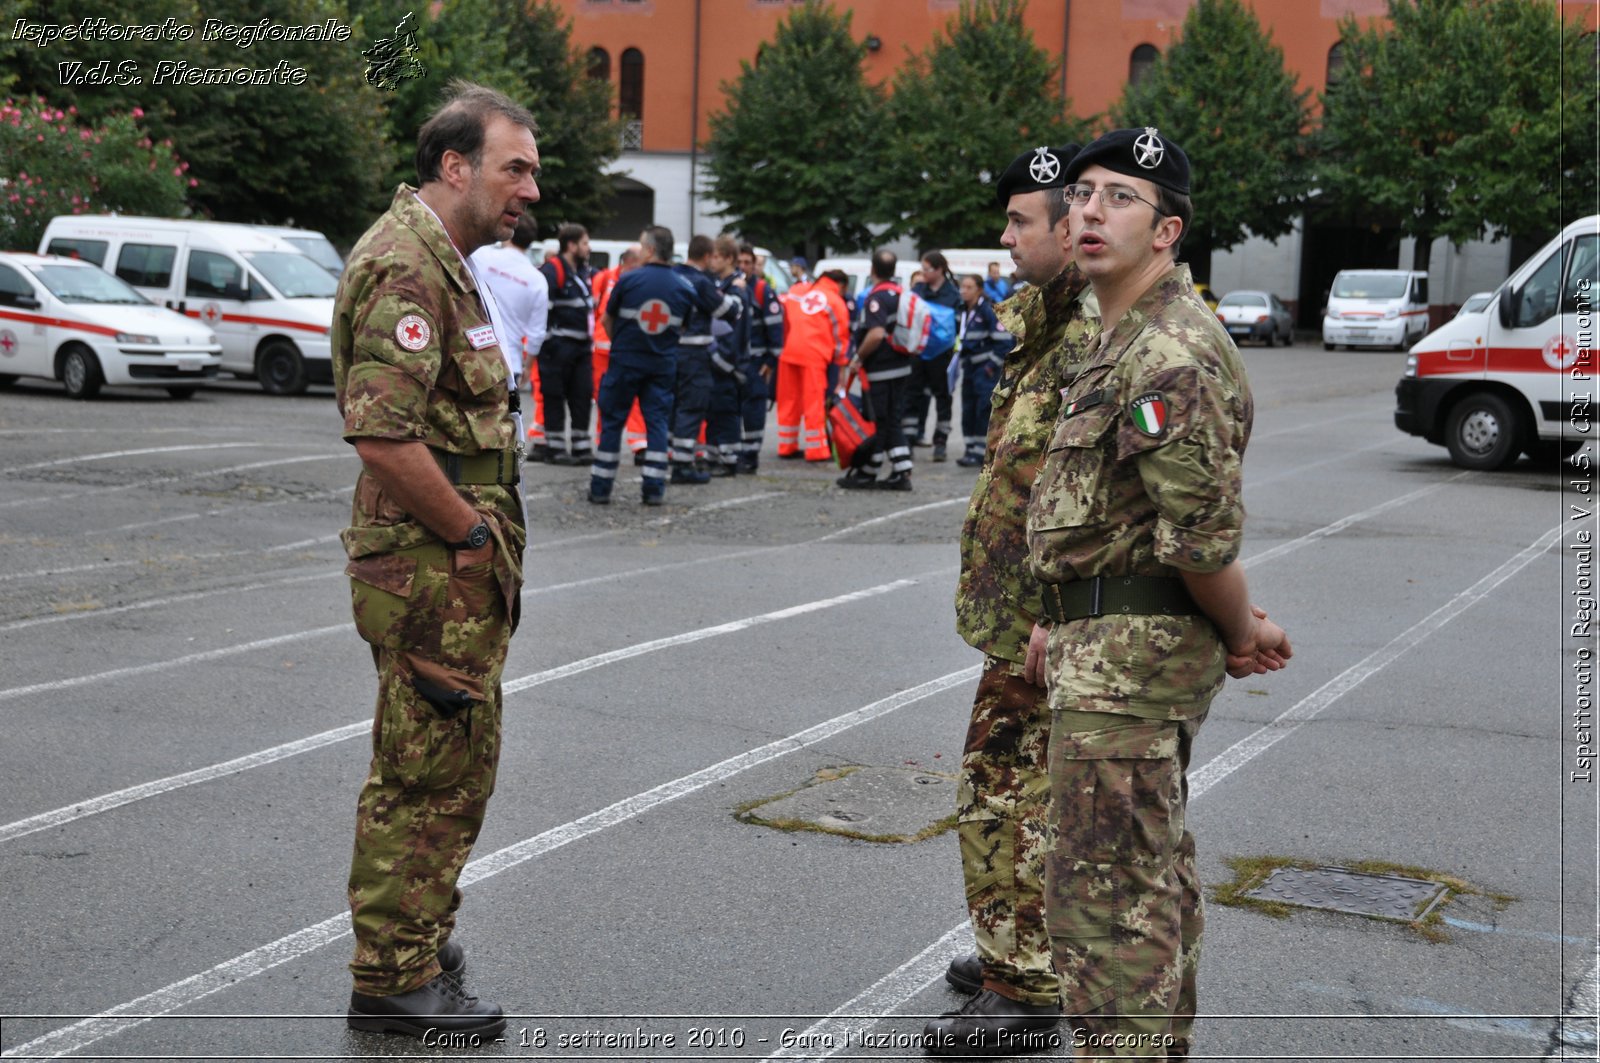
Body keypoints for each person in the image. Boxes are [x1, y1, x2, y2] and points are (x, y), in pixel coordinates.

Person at [1027, 127, 1291, 1058]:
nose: (1090, 211)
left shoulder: (1169, 352)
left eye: (1121, 198)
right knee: (1144, 882)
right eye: (1084, 194)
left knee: (1105, 903)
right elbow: (1107, 516)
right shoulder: (1122, 336)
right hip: (1106, 652)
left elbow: (1200, 538)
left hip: (1131, 671)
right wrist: (1058, 620)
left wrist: (1242, 626)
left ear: (1168, 229)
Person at [332, 81, 538, 1040]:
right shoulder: (408, 266)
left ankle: (418, 931)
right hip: (429, 566)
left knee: (453, 758)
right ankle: (392, 973)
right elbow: (383, 434)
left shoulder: (447, 261)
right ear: (455, 167)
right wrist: (467, 530)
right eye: (515, 167)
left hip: (448, 564)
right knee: (425, 767)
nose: (530, 188)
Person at [922, 144, 1095, 1056]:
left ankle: (1022, 986)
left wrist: (1060, 610)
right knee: (1027, 785)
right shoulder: (1040, 319)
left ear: (1071, 228)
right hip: (1018, 609)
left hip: (1048, 617)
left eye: (1021, 220)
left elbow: (1105, 491)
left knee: (1002, 787)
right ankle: (1019, 946)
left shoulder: (1095, 330)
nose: (1005, 235)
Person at [591, 225, 723, 505]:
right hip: (662, 365)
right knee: (658, 426)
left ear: (650, 249)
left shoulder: (628, 281)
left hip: (625, 362)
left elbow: (606, 321)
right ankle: (653, 489)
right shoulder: (685, 288)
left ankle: (601, 487)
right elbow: (682, 328)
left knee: (613, 423)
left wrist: (625, 344)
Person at [470, 213, 547, 451]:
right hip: (509, 362)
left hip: (474, 355)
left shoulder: (482, 256)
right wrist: (528, 366)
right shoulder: (537, 279)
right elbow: (536, 334)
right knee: (500, 431)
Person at [669, 235, 741, 485]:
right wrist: (737, 295)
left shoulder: (673, 274)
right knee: (692, 406)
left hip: (669, 351)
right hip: (694, 354)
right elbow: (728, 311)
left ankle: (669, 457)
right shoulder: (701, 282)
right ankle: (683, 465)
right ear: (708, 256)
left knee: (672, 405)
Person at [839, 251, 913, 491]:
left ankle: (872, 471)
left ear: (873, 269)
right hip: (901, 367)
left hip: (882, 370)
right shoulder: (900, 294)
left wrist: (858, 357)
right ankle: (900, 469)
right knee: (891, 419)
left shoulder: (877, 298)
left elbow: (876, 333)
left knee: (880, 420)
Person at [776, 268, 850, 462]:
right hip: (814, 356)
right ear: (841, 285)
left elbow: (783, 312)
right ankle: (816, 451)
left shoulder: (797, 290)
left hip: (789, 351)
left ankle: (786, 446)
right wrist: (841, 364)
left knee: (788, 402)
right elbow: (841, 338)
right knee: (814, 403)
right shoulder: (835, 302)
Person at [537, 223, 595, 465]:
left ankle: (581, 447)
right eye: (584, 243)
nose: (588, 248)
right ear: (571, 245)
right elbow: (542, 310)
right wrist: (549, 342)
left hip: (581, 348)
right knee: (554, 396)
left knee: (582, 396)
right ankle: (556, 447)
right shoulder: (553, 271)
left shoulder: (581, 271)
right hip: (558, 347)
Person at [591, 245, 650, 460]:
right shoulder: (604, 278)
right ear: (626, 263)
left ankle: (639, 442)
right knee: (602, 397)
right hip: (601, 350)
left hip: (625, 350)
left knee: (633, 396)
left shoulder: (636, 282)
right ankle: (601, 440)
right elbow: (595, 313)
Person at [952, 273, 1012, 468]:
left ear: (978, 289)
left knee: (982, 409)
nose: (963, 291)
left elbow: (1003, 342)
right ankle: (970, 449)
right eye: (962, 287)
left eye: (968, 287)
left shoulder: (988, 309)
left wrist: (989, 367)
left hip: (984, 369)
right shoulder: (961, 311)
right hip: (968, 366)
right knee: (967, 408)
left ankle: (980, 452)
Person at [706, 234, 753, 476]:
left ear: (727, 258)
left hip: (727, 361)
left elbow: (737, 331)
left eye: (715, 256)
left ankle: (730, 458)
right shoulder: (720, 285)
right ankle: (714, 455)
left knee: (726, 411)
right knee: (714, 409)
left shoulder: (737, 289)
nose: (711, 261)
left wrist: (721, 358)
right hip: (716, 359)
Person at [908, 251, 962, 461]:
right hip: (918, 353)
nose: (923, 273)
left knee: (943, 397)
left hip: (942, 355)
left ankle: (940, 442)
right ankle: (909, 439)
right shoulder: (918, 290)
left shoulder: (952, 294)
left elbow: (958, 325)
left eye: (927, 269)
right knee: (911, 396)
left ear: (939, 270)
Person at [737, 242, 784, 473]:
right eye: (740, 262)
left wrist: (770, 363)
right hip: (734, 361)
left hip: (756, 363)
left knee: (754, 410)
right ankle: (735, 454)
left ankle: (751, 455)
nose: (744, 267)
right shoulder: (729, 288)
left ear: (755, 265)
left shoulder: (762, 290)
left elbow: (776, 330)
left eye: (748, 262)